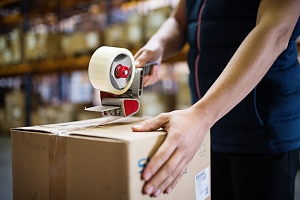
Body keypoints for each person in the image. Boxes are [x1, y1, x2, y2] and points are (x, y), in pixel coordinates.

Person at [131, 0, 300, 199]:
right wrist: (158, 44)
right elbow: (179, 21)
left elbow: (275, 31)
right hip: (210, 132)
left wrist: (201, 116)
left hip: (262, 134)